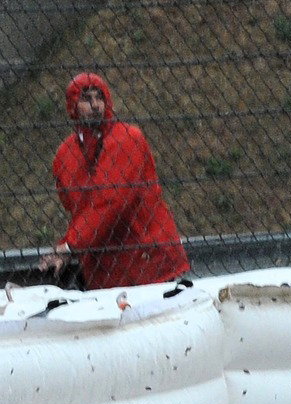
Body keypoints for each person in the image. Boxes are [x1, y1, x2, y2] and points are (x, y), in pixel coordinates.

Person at [38, 72, 189, 291]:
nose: (95, 105)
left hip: (145, 258)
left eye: (100, 97)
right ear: (73, 106)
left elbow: (111, 201)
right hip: (107, 264)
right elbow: (81, 209)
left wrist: (70, 245)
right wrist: (71, 244)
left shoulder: (126, 139)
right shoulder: (66, 155)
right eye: (86, 99)